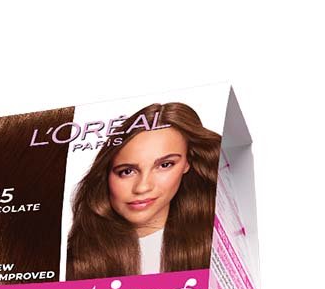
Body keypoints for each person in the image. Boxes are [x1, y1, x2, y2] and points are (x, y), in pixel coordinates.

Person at [67, 102, 221, 279]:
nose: (142, 187)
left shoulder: (216, 248)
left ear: (188, 162)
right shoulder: (72, 263)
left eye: (165, 165)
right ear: (106, 173)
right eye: (127, 171)